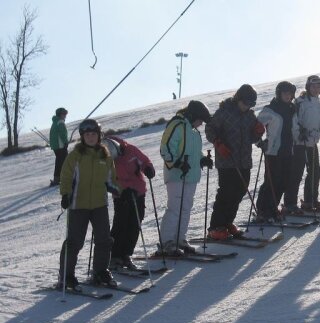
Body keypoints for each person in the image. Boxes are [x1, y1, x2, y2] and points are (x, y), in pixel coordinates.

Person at [57, 119, 121, 291]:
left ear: (99, 136)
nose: (91, 137)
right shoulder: (75, 156)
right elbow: (66, 176)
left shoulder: (105, 155)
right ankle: (66, 276)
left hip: (100, 204)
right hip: (78, 204)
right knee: (75, 242)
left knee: (104, 240)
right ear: (82, 137)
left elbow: (111, 177)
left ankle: (100, 271)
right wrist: (65, 194)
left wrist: (115, 189)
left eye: (94, 134)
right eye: (87, 135)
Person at [206, 84, 265, 240]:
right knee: (226, 192)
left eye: (251, 104)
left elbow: (252, 138)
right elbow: (210, 129)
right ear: (238, 99)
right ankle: (215, 227)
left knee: (240, 191)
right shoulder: (224, 112)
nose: (248, 107)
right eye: (246, 103)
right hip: (227, 160)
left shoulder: (250, 116)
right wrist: (218, 143)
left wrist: (258, 133)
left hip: (244, 160)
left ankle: (227, 223)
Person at [157, 100, 211, 255]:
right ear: (193, 115)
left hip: (191, 175)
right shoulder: (177, 125)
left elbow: (194, 152)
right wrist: (177, 163)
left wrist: (202, 159)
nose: (201, 124)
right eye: (200, 120)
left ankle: (180, 239)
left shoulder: (194, 131)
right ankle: (166, 242)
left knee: (186, 208)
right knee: (175, 208)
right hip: (176, 174)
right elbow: (166, 148)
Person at [284, 75, 320, 212]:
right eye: (313, 86)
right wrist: (298, 134)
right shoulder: (300, 102)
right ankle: (290, 203)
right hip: (300, 143)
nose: (316, 89)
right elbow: (294, 121)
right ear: (308, 87)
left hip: (312, 142)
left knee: (315, 172)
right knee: (297, 172)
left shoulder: (319, 106)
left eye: (318, 87)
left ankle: (310, 201)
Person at [103, 136, 155, 271]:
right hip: (122, 195)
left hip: (138, 191)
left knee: (135, 222)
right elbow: (109, 179)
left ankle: (126, 254)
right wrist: (123, 190)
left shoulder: (130, 149)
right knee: (121, 223)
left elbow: (144, 161)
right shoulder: (106, 158)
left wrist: (148, 168)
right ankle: (114, 256)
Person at [255, 81, 298, 221]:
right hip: (273, 151)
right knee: (271, 181)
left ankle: (272, 208)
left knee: (284, 181)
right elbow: (255, 126)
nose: (287, 95)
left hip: (288, 150)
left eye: (290, 93)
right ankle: (262, 211)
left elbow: (295, 128)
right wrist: (260, 142)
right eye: (284, 92)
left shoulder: (292, 109)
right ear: (279, 93)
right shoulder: (270, 109)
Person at [49, 107, 69, 186]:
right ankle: (62, 178)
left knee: (59, 162)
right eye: (64, 114)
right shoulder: (60, 122)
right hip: (60, 146)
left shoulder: (55, 122)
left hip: (56, 146)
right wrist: (65, 142)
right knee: (65, 161)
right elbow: (62, 134)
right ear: (60, 114)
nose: (65, 116)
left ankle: (58, 178)